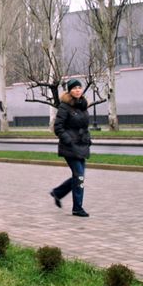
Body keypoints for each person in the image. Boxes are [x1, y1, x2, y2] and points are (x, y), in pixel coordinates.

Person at [50, 79, 92, 217]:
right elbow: (58, 127)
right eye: (74, 88)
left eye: (79, 87)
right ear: (70, 91)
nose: (77, 90)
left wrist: (88, 138)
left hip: (82, 145)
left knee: (78, 177)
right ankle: (77, 208)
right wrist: (67, 139)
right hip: (70, 147)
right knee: (79, 177)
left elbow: (84, 126)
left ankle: (58, 192)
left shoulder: (83, 106)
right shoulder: (64, 106)